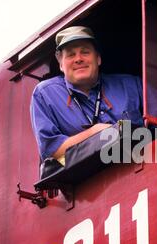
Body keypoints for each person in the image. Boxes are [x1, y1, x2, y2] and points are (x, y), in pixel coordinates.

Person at [30, 26, 144, 165]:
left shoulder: (132, 84)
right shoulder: (45, 94)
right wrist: (95, 133)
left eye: (85, 52)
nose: (78, 59)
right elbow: (53, 151)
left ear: (98, 58)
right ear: (61, 65)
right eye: (71, 55)